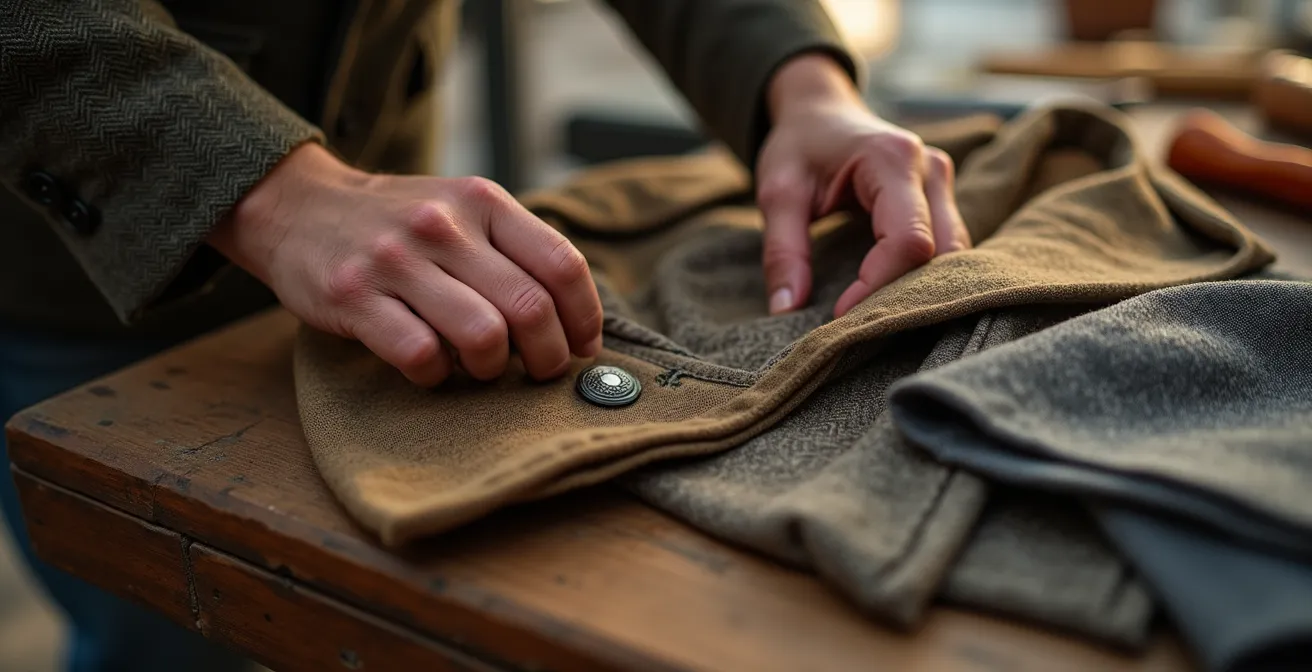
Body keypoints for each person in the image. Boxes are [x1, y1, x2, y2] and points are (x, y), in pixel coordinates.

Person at [0, 0, 968, 669]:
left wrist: (801, 84)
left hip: (399, 260)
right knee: (155, 629)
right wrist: (261, 185)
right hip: (84, 258)